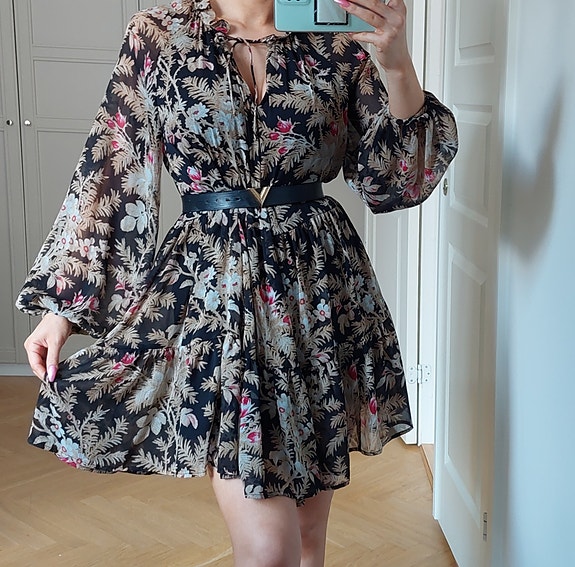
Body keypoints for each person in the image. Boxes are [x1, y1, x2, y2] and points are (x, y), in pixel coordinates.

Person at [16, 0, 458, 565]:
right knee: (269, 551)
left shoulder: (335, 36)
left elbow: (394, 179)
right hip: (216, 300)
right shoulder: (160, 34)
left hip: (315, 293)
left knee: (308, 539)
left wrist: (396, 64)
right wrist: (61, 308)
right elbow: (111, 166)